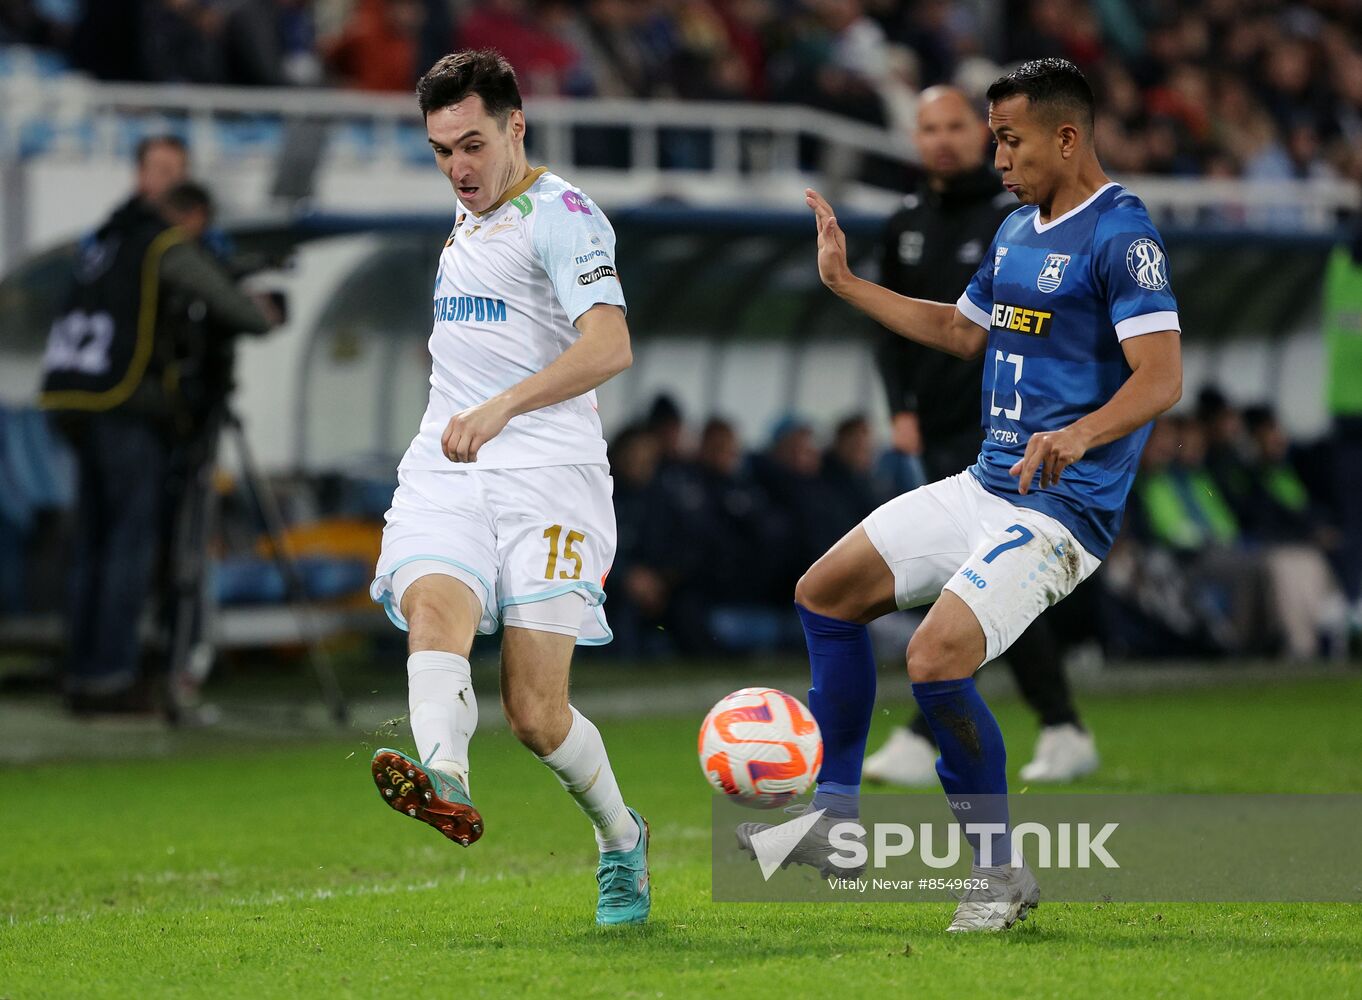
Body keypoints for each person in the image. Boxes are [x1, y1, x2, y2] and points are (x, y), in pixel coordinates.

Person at [737, 58, 1182, 932]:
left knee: (935, 658)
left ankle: (999, 875)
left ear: (1067, 135)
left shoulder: (1122, 234)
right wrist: (845, 285)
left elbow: (1160, 377)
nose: (1000, 157)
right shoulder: (1018, 230)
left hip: (1063, 508)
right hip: (986, 482)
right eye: (995, 140)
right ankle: (834, 817)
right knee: (823, 593)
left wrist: (1081, 432)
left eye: (1012, 140)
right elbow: (957, 330)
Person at [365, 49, 649, 926]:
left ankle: (621, 837)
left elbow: (609, 347)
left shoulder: (563, 216)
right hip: (447, 467)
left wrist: (503, 405)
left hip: (549, 481)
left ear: (516, 127)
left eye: (474, 145)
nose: (459, 168)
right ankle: (443, 774)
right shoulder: (469, 218)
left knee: (534, 711)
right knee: (432, 610)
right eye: (443, 149)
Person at [864, 85, 1098, 787]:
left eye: (956, 126)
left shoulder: (1021, 216)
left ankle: (1033, 727)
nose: (941, 139)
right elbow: (893, 329)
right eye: (928, 127)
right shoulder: (903, 221)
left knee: (984, 582)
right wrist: (899, 405)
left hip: (1008, 429)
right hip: (937, 427)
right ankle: (1055, 726)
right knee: (980, 585)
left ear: (988, 134)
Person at [40, 180, 275, 715]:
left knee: (94, 542)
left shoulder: (102, 243)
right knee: (129, 543)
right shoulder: (163, 245)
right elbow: (241, 312)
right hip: (126, 405)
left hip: (71, 398)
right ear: (192, 217)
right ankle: (114, 677)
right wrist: (255, 305)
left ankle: (82, 671)